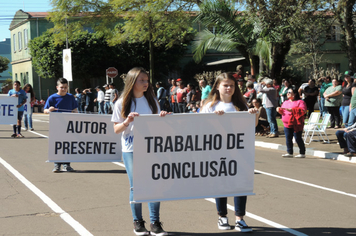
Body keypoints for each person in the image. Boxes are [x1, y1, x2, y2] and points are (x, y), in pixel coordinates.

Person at [111, 67, 169, 236]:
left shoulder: (152, 101)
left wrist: (163, 117)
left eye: (146, 80)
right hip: (131, 149)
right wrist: (127, 121)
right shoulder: (121, 103)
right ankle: (138, 222)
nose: (145, 83)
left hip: (151, 149)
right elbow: (116, 130)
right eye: (141, 80)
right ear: (132, 81)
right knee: (136, 185)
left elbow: (158, 125)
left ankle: (155, 222)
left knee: (154, 184)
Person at [200, 72, 257, 233]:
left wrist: (254, 115)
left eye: (232, 85)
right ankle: (222, 217)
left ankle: (240, 218)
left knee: (240, 184)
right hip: (217, 151)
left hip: (239, 151)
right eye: (225, 85)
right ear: (217, 86)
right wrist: (213, 120)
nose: (229, 88)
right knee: (221, 184)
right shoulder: (209, 106)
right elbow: (200, 128)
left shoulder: (240, 105)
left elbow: (251, 125)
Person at [44, 78, 78, 173]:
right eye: (62, 87)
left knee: (67, 145)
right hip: (56, 125)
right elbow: (45, 110)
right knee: (57, 145)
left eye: (65, 87)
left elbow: (75, 109)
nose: (63, 89)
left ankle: (67, 164)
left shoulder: (71, 97)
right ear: (57, 87)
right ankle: (57, 165)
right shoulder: (52, 98)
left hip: (68, 125)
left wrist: (75, 113)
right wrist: (49, 110)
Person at [277, 87, 307, 158]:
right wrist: (278, 110)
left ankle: (302, 153)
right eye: (287, 92)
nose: (288, 93)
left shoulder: (300, 102)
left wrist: (293, 110)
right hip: (286, 123)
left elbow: (304, 111)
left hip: (296, 123)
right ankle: (289, 152)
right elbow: (282, 111)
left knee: (297, 138)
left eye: (290, 92)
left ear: (294, 94)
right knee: (288, 138)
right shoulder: (285, 102)